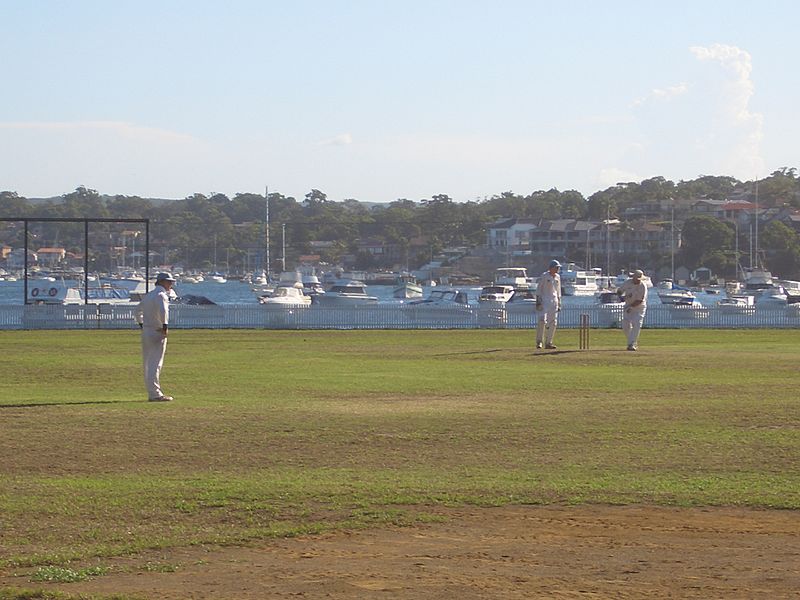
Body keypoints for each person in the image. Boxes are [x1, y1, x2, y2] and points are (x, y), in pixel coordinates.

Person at [133, 272, 176, 401]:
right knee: (155, 363)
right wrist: (165, 327)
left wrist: (141, 323)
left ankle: (152, 391)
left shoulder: (149, 295)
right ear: (162, 282)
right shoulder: (161, 295)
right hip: (157, 331)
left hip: (146, 330)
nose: (171, 284)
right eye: (169, 282)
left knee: (147, 362)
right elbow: (163, 311)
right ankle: (155, 394)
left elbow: (137, 311)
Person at [617, 269, 648, 351]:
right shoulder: (628, 282)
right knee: (625, 326)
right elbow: (619, 291)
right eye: (635, 278)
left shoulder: (643, 286)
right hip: (627, 305)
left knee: (636, 324)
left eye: (638, 279)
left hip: (639, 307)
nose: (637, 280)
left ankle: (632, 344)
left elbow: (639, 300)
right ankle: (632, 342)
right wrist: (621, 297)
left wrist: (631, 307)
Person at [536, 259, 562, 349]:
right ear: (551, 268)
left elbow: (558, 291)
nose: (557, 269)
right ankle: (539, 341)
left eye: (558, 268)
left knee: (553, 322)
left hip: (554, 301)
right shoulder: (544, 276)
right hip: (544, 300)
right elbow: (539, 289)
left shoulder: (558, 277)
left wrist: (559, 303)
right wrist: (538, 301)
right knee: (542, 321)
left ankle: (549, 342)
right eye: (556, 268)